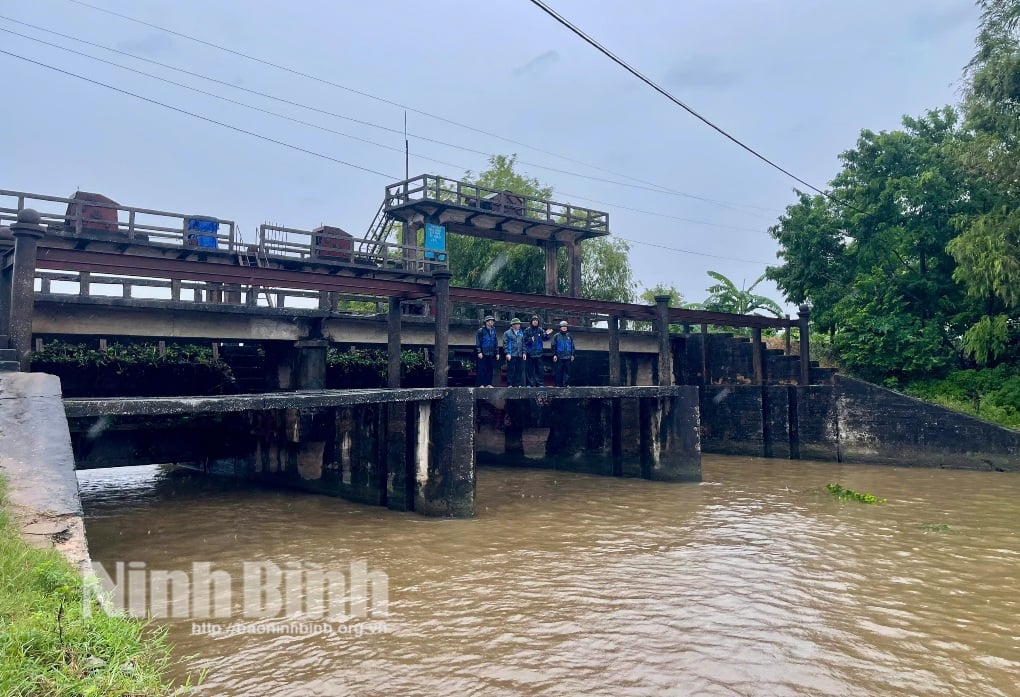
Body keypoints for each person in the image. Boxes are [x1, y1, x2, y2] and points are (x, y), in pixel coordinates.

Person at [523, 315, 553, 387]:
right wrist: (530, 340)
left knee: (539, 370)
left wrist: (547, 334)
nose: (535, 322)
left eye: (536, 320)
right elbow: (524, 340)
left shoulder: (540, 330)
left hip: (539, 353)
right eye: (534, 320)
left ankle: (539, 384)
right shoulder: (527, 330)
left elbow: (545, 338)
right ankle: (529, 384)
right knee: (529, 370)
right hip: (530, 353)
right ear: (531, 322)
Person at [475, 315, 498, 387]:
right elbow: (478, 342)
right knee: (482, 369)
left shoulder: (494, 330)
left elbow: (495, 342)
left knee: (490, 369)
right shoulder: (481, 330)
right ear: (486, 322)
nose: (491, 322)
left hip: (491, 352)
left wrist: (497, 352)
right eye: (489, 321)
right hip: (483, 352)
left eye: (492, 321)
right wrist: (479, 351)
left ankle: (489, 384)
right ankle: (481, 384)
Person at [503, 317, 526, 387]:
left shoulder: (521, 333)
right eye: (517, 324)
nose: (518, 325)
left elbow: (523, 343)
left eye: (519, 324)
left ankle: (518, 384)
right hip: (511, 354)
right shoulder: (507, 333)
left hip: (519, 354)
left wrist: (524, 352)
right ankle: (510, 384)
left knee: (519, 370)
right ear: (513, 325)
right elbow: (505, 343)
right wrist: (507, 353)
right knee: (511, 370)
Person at [552, 320, 575, 387]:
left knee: (567, 372)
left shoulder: (569, 336)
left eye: (565, 326)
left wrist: (572, 354)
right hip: (559, 357)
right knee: (559, 371)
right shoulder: (556, 336)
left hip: (568, 357)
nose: (564, 328)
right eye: (563, 326)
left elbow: (572, 346)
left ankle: (566, 384)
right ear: (560, 328)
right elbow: (553, 346)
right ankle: (558, 385)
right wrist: (554, 355)